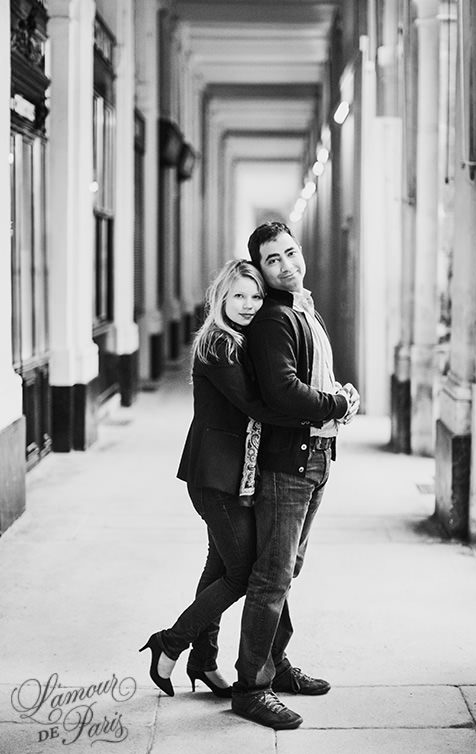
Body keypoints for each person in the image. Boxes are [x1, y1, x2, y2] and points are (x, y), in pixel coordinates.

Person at [140, 260, 350, 699]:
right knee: (245, 573)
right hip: (216, 480)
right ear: (220, 298)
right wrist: (331, 405)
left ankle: (203, 660)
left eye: (255, 296)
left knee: (220, 566)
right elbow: (261, 406)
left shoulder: (242, 338)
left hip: (238, 475)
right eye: (238, 295)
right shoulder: (219, 345)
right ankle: (172, 641)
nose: (249, 304)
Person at [229, 221, 360, 730]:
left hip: (316, 457)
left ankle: (275, 665)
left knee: (287, 571)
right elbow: (283, 393)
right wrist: (337, 403)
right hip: (289, 464)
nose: (286, 264)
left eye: (289, 252)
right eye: (272, 260)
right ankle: (251, 687)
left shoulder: (304, 309)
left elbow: (315, 377)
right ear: (260, 272)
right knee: (271, 577)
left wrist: (339, 394)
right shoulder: (273, 320)